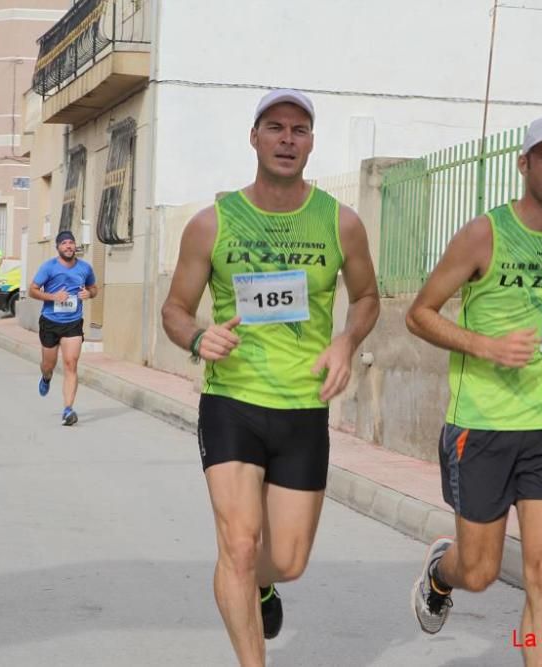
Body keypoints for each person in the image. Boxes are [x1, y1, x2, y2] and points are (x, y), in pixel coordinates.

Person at [160, 89, 379, 666]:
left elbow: (367, 298)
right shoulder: (212, 223)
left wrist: (346, 341)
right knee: (238, 543)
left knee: (287, 559)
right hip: (232, 399)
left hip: (304, 406)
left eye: (299, 129)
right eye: (275, 127)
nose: (287, 139)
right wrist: (197, 336)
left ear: (311, 142)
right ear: (253, 138)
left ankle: (264, 584)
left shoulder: (342, 222)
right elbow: (174, 309)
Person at [404, 114, 542, 666]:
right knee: (478, 571)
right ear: (523, 164)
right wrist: (484, 345)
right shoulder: (484, 233)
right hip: (482, 423)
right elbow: (420, 314)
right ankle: (441, 571)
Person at [29, 230, 97, 426]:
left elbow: (94, 288)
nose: (68, 246)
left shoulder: (85, 268)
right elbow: (33, 289)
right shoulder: (48, 267)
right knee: (48, 365)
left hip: (73, 323)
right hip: (50, 322)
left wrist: (89, 294)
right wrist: (52, 297)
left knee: (70, 364)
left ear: (75, 246)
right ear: (58, 247)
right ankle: (46, 377)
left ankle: (68, 410)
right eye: (64, 243)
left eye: (71, 243)